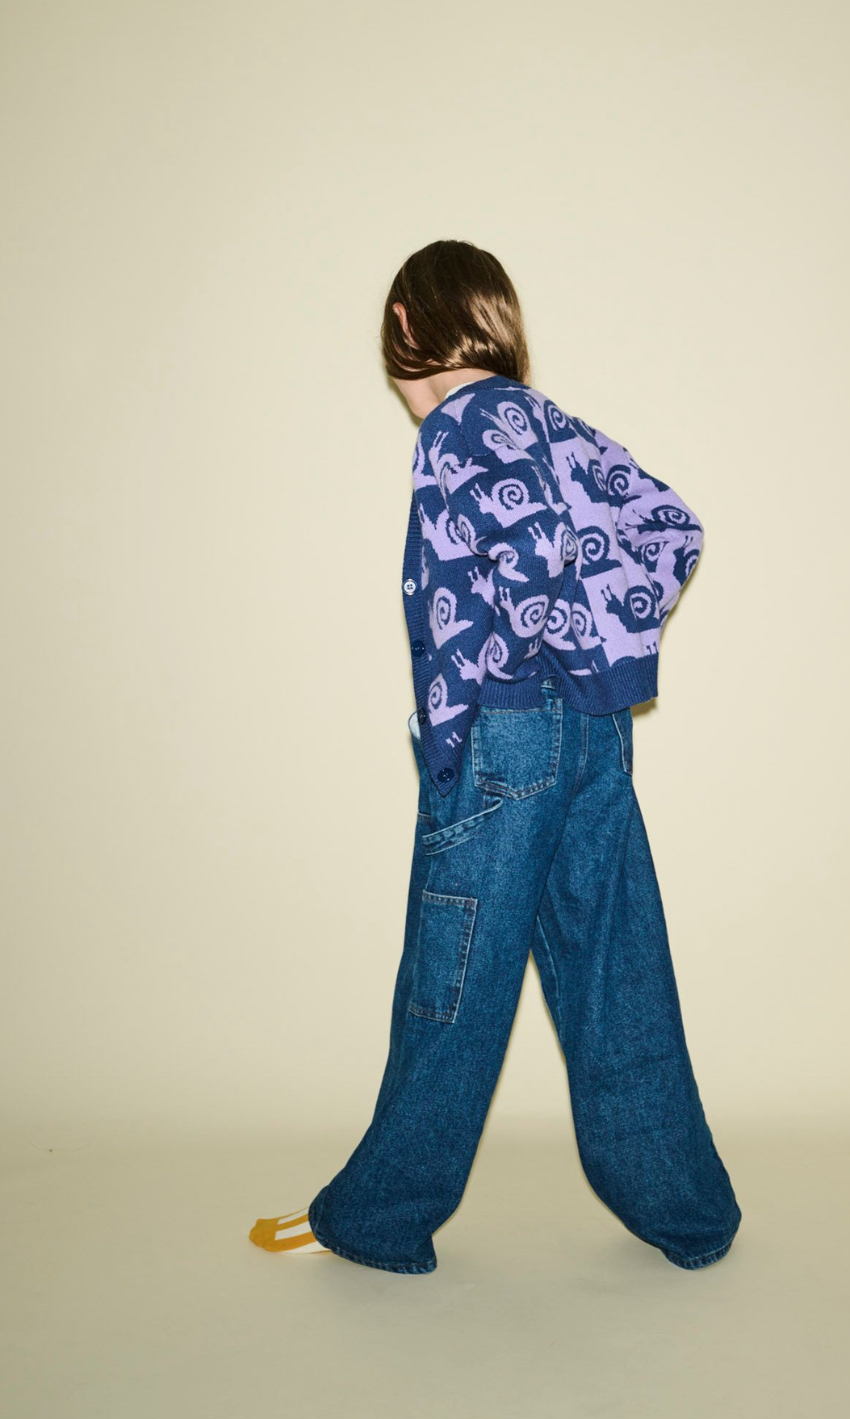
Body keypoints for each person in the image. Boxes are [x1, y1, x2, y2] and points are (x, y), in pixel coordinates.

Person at [249, 239, 742, 1273]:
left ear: (407, 330)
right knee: (618, 968)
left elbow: (532, 560)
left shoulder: (460, 429)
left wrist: (505, 674)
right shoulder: (550, 422)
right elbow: (669, 522)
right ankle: (690, 1215)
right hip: (592, 738)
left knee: (453, 976)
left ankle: (378, 1217)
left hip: (507, 736)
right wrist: (602, 660)